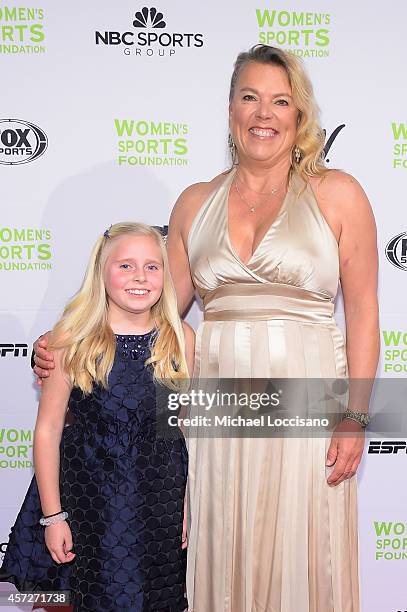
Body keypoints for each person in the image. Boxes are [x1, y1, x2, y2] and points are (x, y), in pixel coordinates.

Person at [33, 45, 379, 611]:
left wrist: (357, 415)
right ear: (230, 111)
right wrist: (63, 343)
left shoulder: (338, 193)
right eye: (250, 98)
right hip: (217, 411)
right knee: (225, 545)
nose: (263, 114)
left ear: (299, 116)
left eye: (280, 101)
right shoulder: (196, 203)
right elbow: (148, 308)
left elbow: (364, 310)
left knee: (302, 550)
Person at [1, 222, 194, 611]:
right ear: (101, 272)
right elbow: (48, 431)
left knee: (159, 597)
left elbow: (179, 426)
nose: (140, 276)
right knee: (103, 595)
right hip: (93, 498)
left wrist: (185, 503)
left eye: (152, 266)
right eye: (125, 266)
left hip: (159, 498)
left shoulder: (181, 337)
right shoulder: (71, 340)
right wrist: (53, 516)